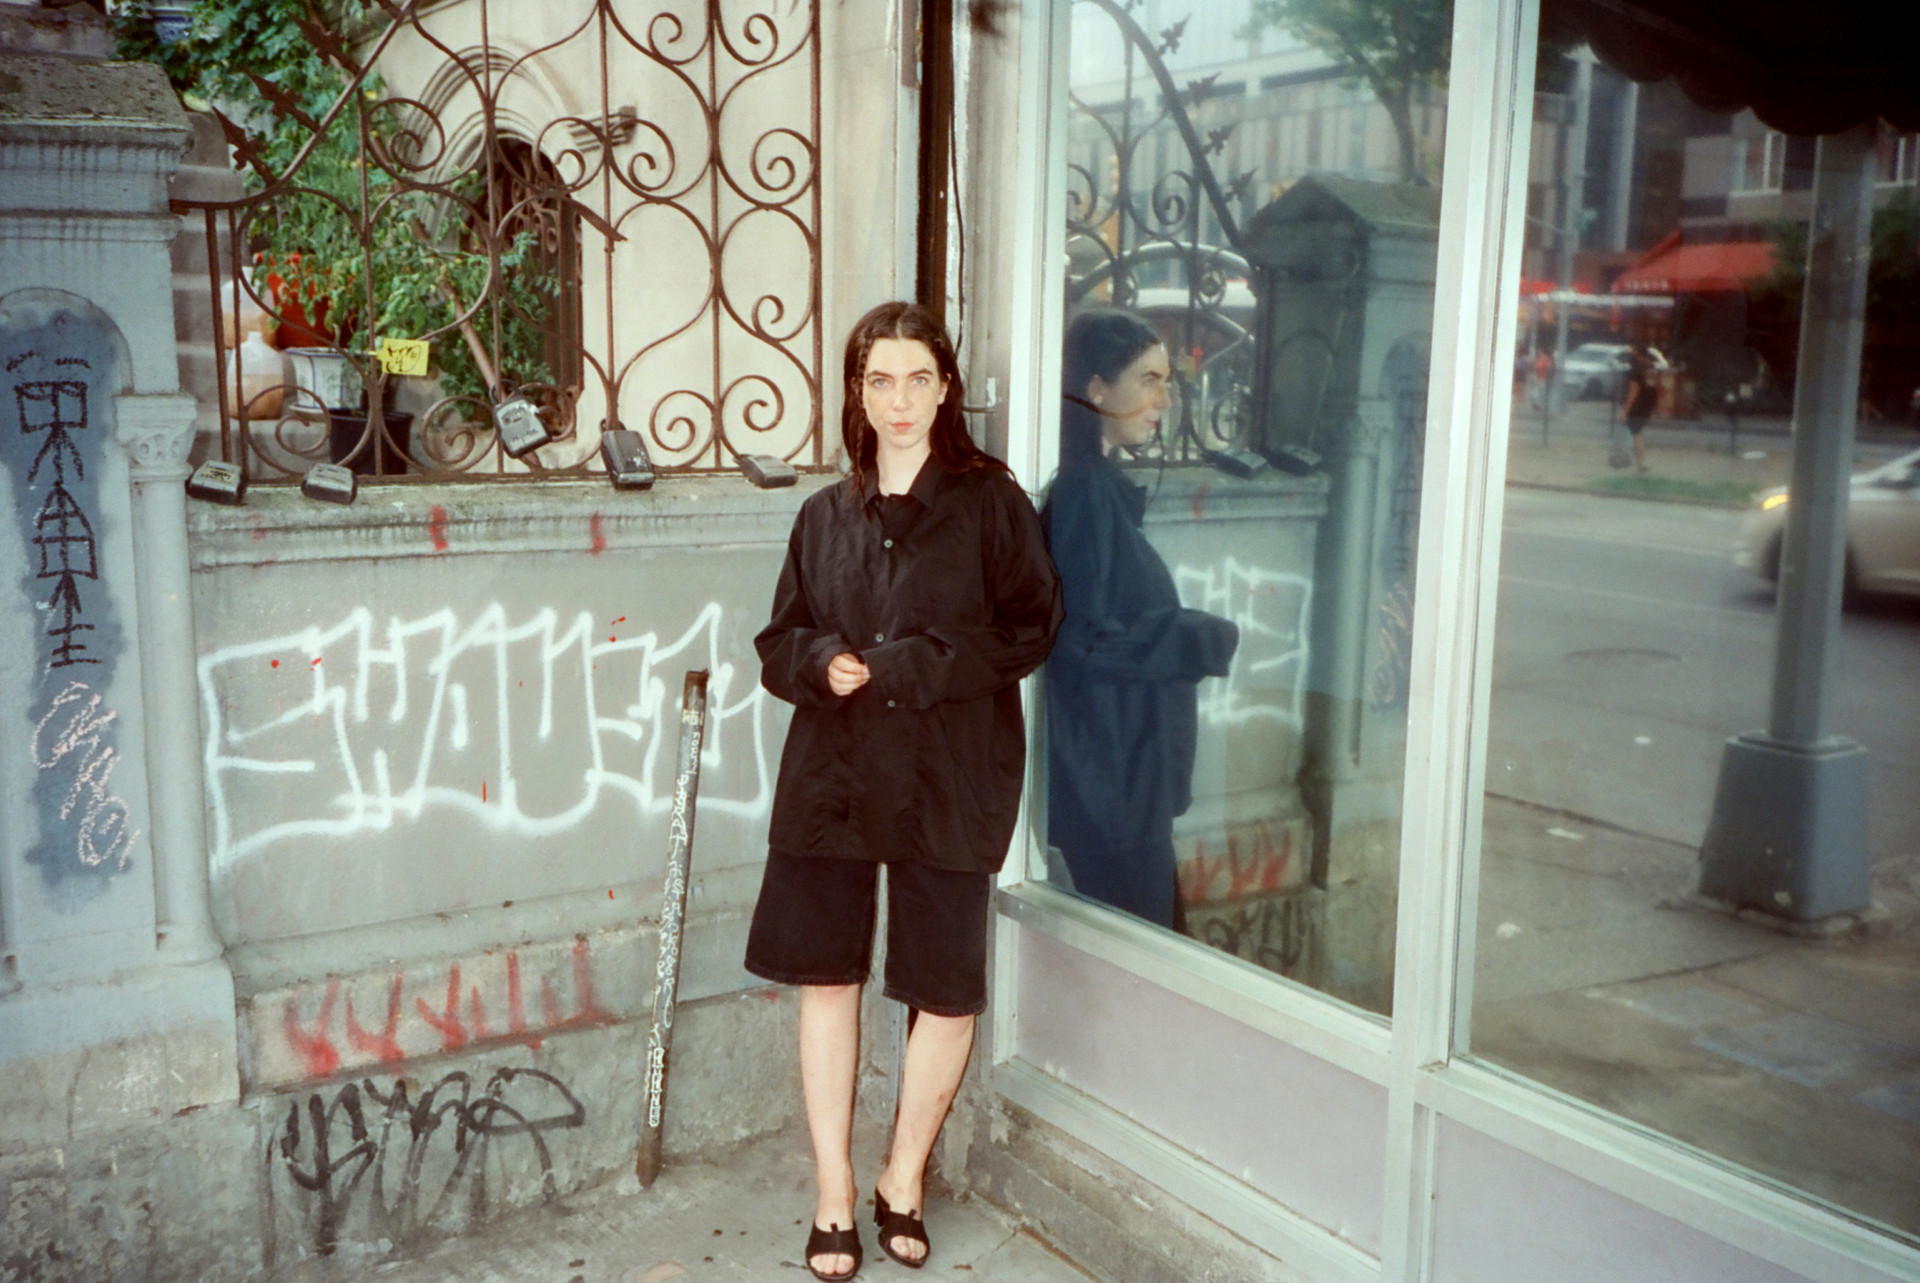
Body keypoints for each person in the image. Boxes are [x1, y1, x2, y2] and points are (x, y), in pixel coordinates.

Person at [746, 301, 1062, 1281]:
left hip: (948, 770)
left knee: (947, 987)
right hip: (834, 775)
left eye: (917, 379)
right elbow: (778, 640)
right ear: (857, 390)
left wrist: (928, 660)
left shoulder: (991, 503)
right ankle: (835, 1192)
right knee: (826, 976)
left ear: (946, 387)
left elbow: (1033, 627)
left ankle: (903, 1177)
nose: (899, 401)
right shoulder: (823, 514)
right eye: (879, 380)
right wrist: (818, 660)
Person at [1041, 310, 1238, 929]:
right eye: (1149, 380)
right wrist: (1194, 637)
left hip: (1121, 788)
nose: (1165, 400)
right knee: (1146, 956)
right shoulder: (1083, 493)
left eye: (1167, 382)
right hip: (1113, 793)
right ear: (1097, 389)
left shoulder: (1096, 487)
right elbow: (1078, 641)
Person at [1622, 340, 1656, 472]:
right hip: (1646, 406)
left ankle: (1640, 464)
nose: (1631, 352)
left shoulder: (1636, 369)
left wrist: (1625, 410)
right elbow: (1654, 391)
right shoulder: (1651, 368)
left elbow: (1633, 392)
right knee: (1636, 433)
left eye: (1633, 350)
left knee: (1636, 435)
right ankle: (1638, 462)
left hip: (1636, 406)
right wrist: (1651, 410)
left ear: (1637, 352)